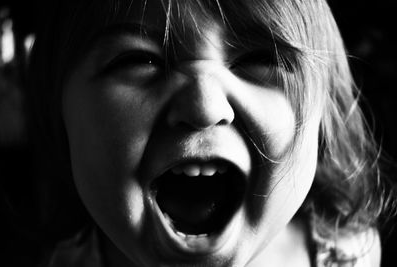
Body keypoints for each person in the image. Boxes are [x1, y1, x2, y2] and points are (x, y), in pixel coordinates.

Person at [26, 0, 392, 266]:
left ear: (324, 117)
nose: (205, 107)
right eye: (138, 60)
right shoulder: (64, 260)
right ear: (58, 113)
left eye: (259, 59)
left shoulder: (348, 256)